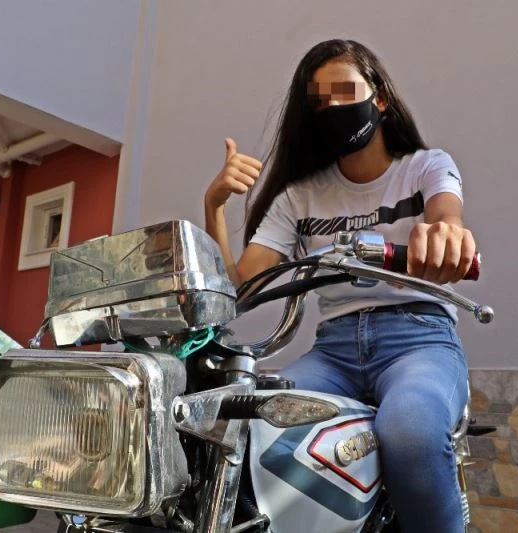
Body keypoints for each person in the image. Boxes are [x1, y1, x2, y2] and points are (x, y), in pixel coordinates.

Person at [204, 38, 476, 533]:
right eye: (319, 102)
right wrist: (215, 206)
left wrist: (446, 238)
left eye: (345, 92)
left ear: (379, 98)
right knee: (250, 424)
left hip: (419, 340)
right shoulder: (299, 196)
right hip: (333, 352)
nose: (333, 108)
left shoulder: (426, 166)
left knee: (410, 433)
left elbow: (446, 218)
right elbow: (240, 288)